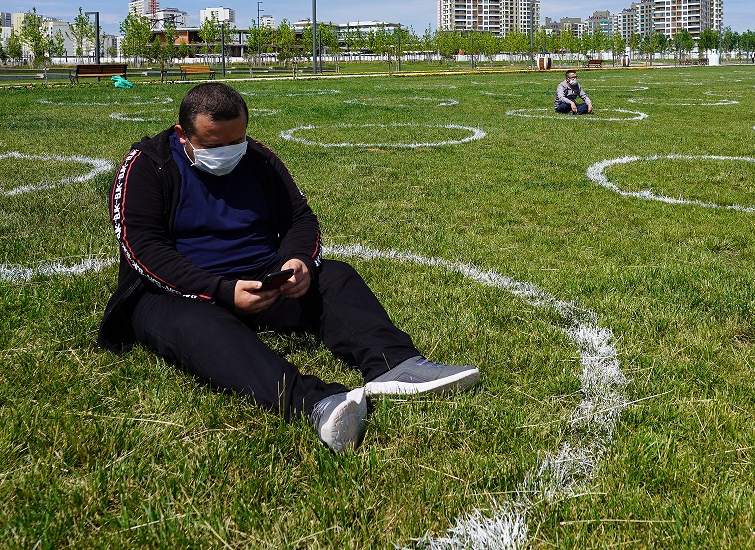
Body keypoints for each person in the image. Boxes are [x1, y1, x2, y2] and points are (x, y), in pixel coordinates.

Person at [97, 82, 479, 454]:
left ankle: (396, 366)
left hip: (263, 279)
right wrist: (221, 291)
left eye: (237, 141)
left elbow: (300, 218)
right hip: (174, 294)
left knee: (335, 276)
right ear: (183, 134)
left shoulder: (260, 158)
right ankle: (317, 404)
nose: (229, 152)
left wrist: (297, 261)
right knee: (200, 327)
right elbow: (142, 249)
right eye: (214, 145)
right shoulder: (147, 166)